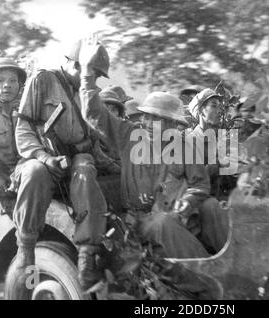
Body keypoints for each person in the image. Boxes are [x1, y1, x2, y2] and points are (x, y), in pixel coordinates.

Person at [79, 38, 228, 258]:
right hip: (141, 222)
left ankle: (227, 259)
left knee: (212, 205)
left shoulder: (183, 145)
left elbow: (200, 184)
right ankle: (206, 272)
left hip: (178, 215)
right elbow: (94, 113)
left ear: (172, 124)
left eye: (157, 119)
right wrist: (87, 74)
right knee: (162, 223)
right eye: (147, 117)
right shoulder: (129, 136)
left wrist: (188, 201)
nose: (148, 124)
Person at [7, 39, 111, 297]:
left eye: (97, 75)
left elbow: (92, 144)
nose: (94, 79)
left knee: (86, 166)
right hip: (41, 158)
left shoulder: (84, 92)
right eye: (91, 72)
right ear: (74, 64)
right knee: (34, 172)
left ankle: (87, 254)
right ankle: (26, 247)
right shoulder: (43, 80)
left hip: (74, 161)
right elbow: (23, 129)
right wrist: (43, 157)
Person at [0, 57, 27, 196]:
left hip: (22, 178)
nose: (7, 85)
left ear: (19, 85)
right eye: (0, 80)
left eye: (12, 80)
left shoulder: (24, 112)